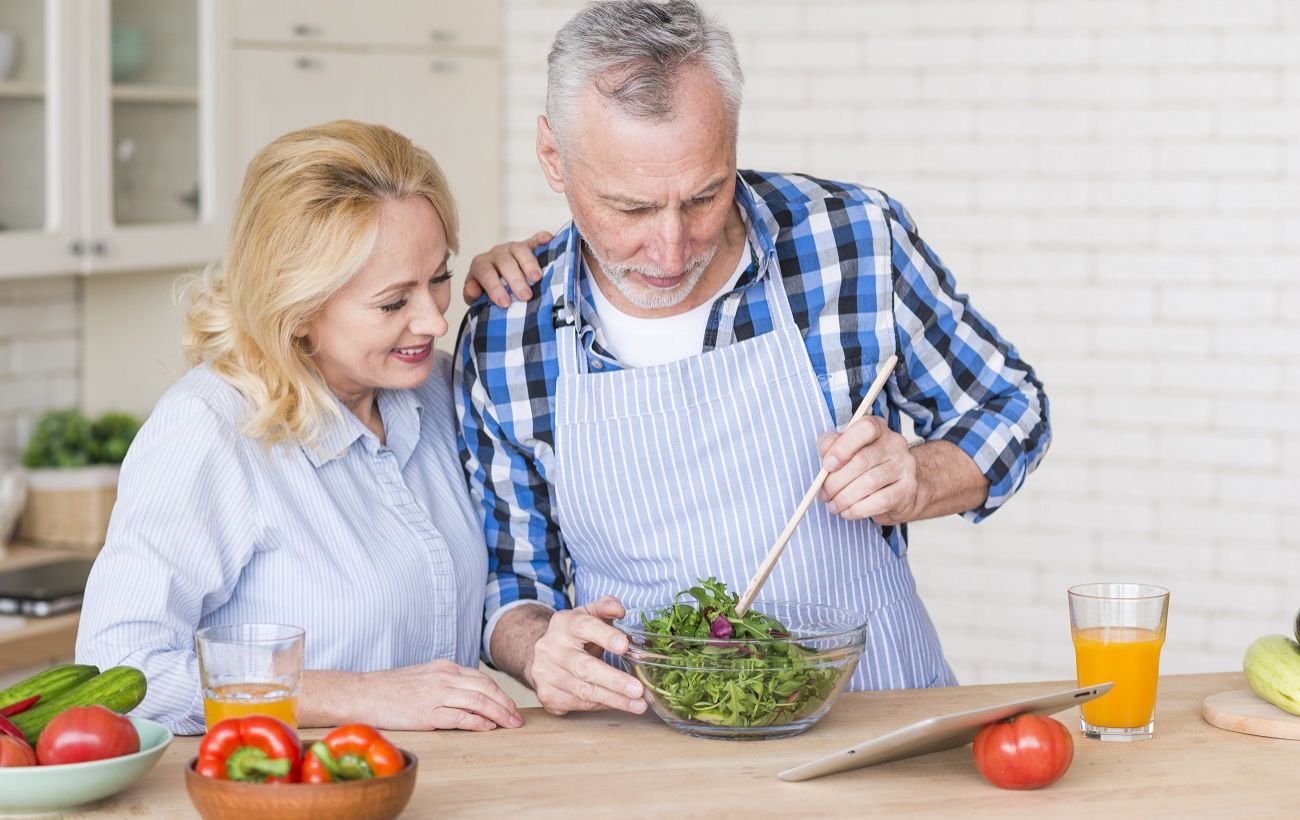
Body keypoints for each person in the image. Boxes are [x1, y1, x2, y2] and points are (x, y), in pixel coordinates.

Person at [456, 0, 1051, 717]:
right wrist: (538, 644)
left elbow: (1011, 407)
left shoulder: (852, 240)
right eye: (631, 210)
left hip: (881, 712)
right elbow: (512, 582)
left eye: (705, 195)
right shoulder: (505, 334)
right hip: (651, 740)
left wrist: (920, 478)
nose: (671, 250)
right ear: (554, 157)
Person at [76, 120, 523, 736]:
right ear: (299, 310)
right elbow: (119, 675)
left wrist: (529, 287)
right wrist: (360, 696)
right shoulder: (209, 429)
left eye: (438, 279)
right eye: (394, 302)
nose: (433, 322)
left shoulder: (442, 394)